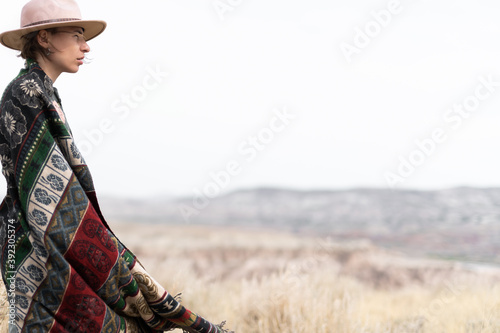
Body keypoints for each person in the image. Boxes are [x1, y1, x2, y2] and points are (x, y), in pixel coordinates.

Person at [0, 1, 233, 332]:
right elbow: (42, 192)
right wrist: (100, 249)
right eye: (76, 35)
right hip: (34, 241)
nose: (86, 46)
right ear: (45, 38)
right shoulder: (26, 92)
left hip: (32, 236)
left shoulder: (43, 91)